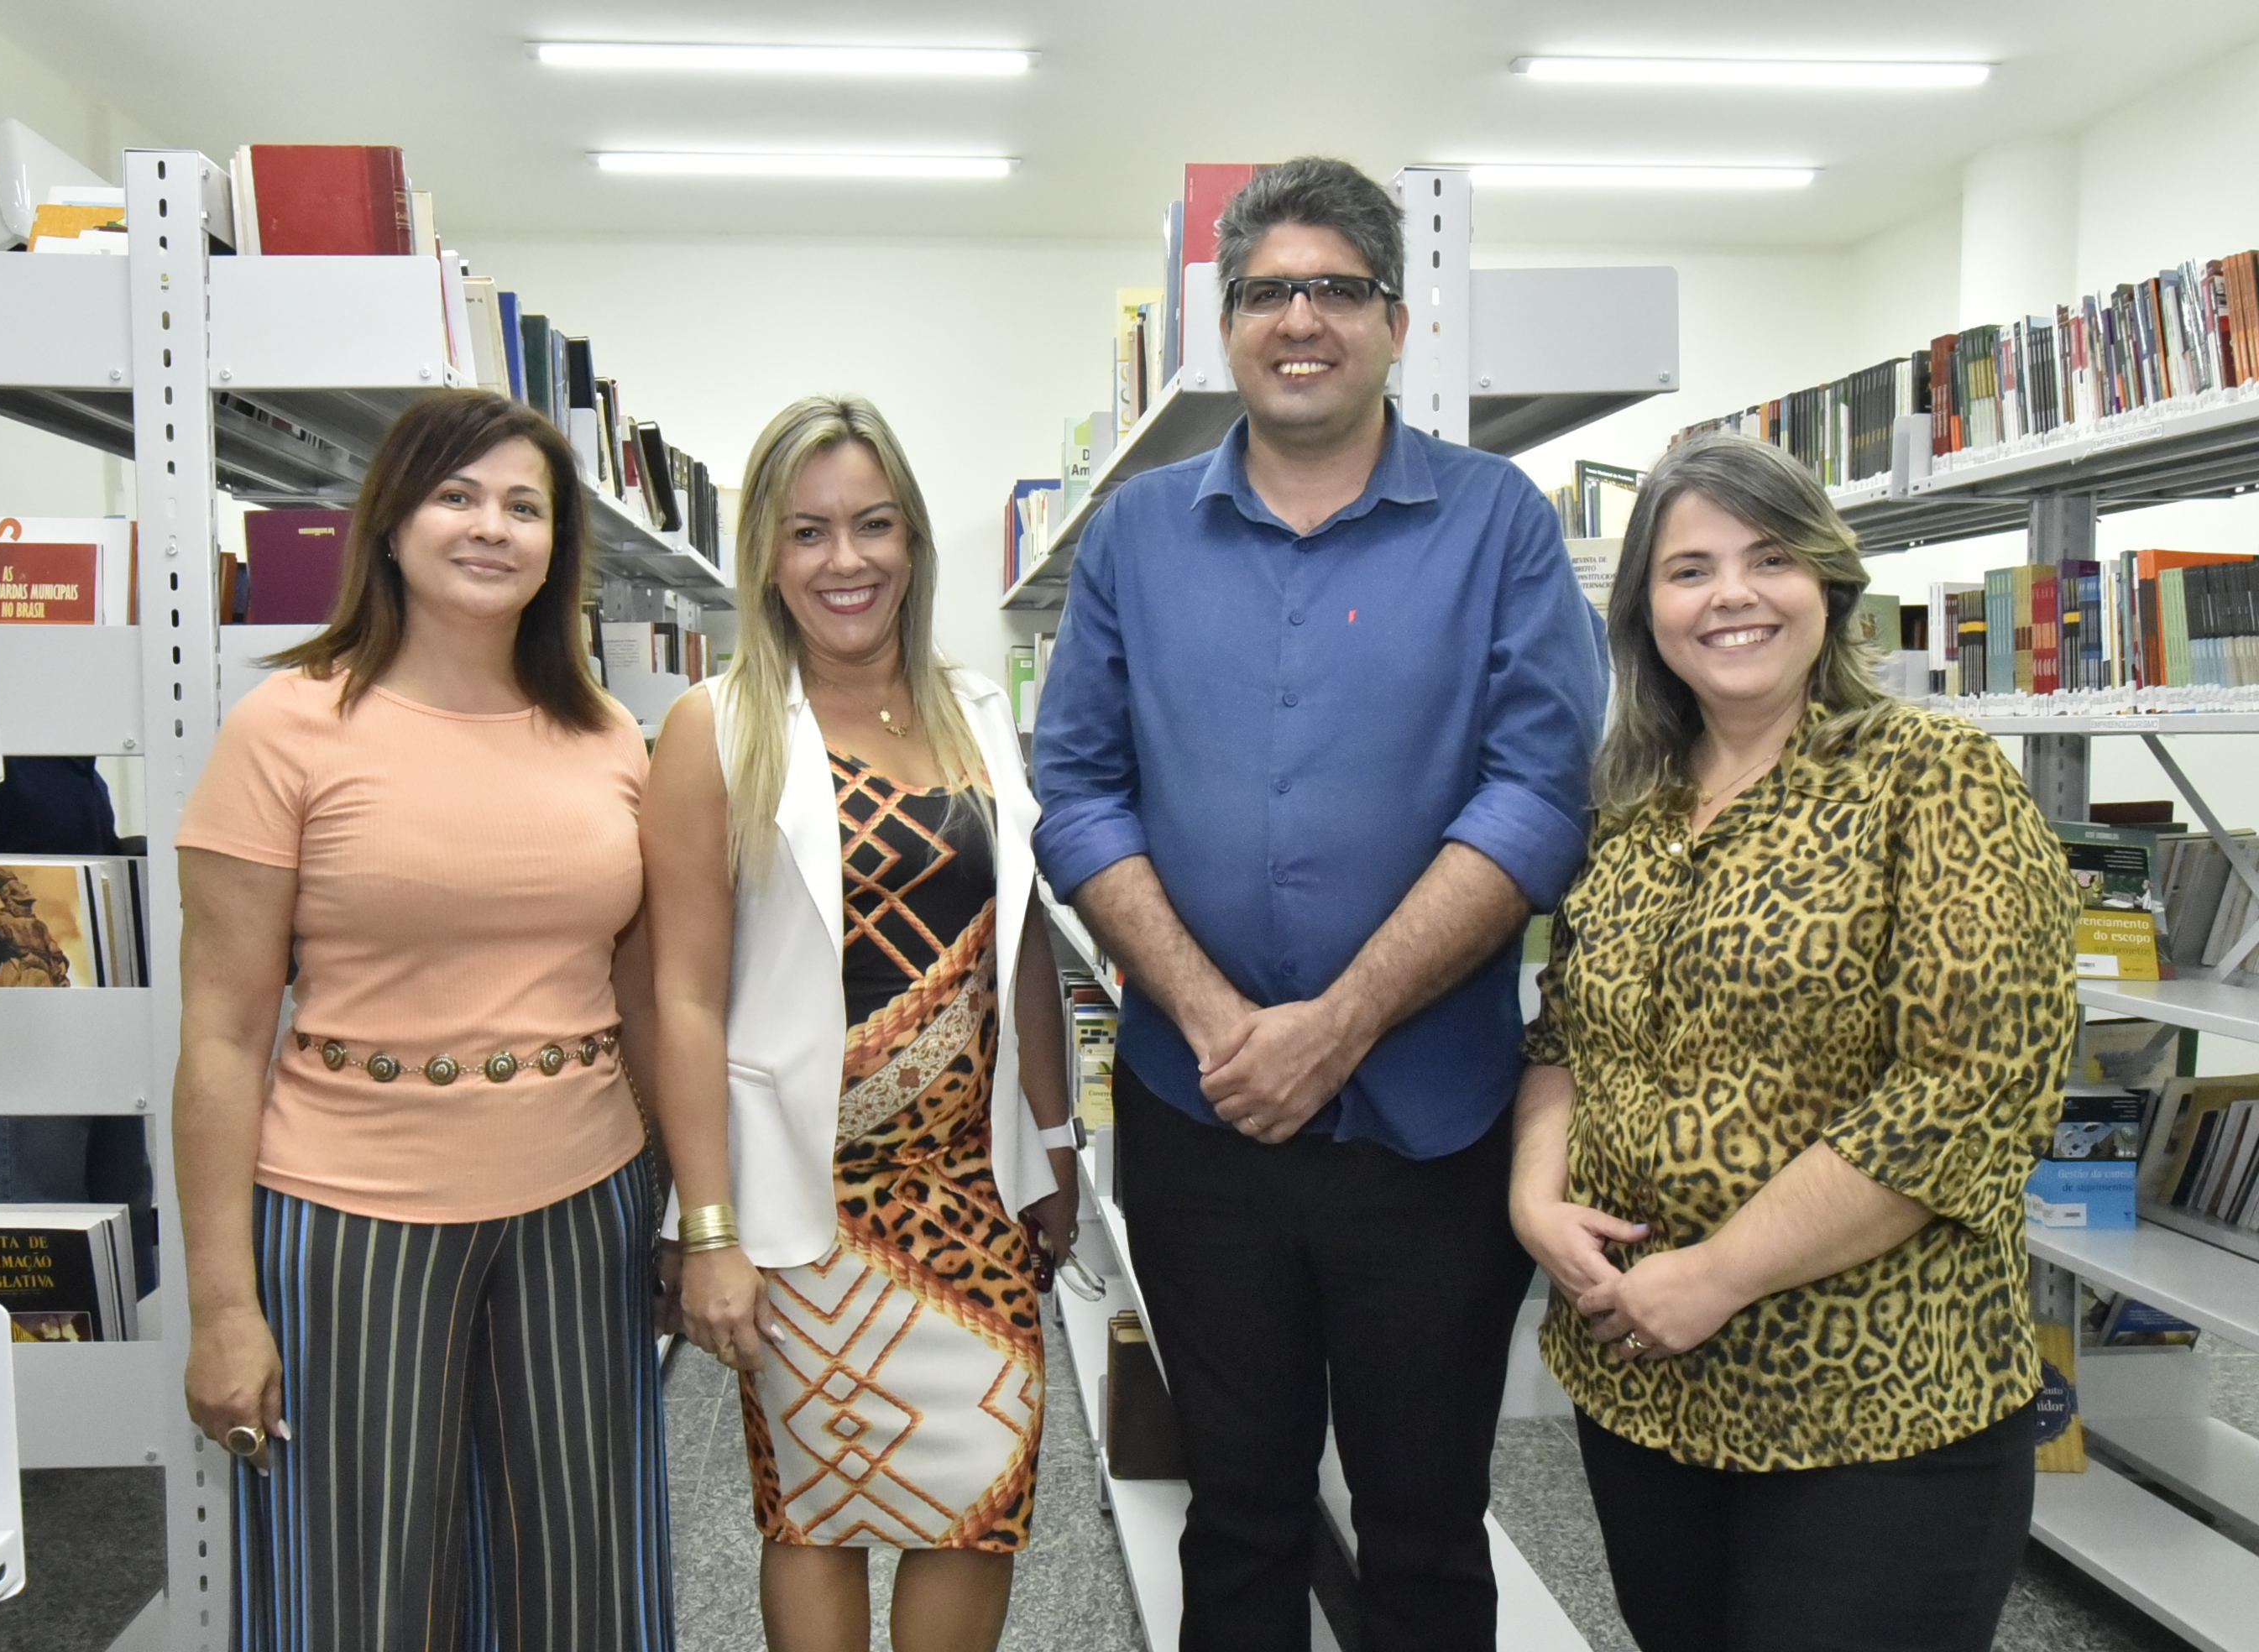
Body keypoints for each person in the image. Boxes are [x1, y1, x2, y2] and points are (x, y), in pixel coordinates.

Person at [1031, 157, 1608, 1651]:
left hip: (1430, 1125)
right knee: (1235, 1515)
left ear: (1397, 323)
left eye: (1337, 290)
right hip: (1198, 1108)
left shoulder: (1498, 524)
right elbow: (1077, 791)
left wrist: (1338, 1024)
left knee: (1424, 1523)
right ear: (1224, 326)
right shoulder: (1136, 535)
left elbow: (1537, 796)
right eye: (1267, 292)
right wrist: (1222, 1021)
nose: (1301, 320)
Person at [1511, 433, 2075, 1652]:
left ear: (1827, 580)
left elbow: (1969, 1091)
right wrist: (1533, 1197)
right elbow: (1566, 1030)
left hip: (1874, 1405)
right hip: (1642, 1383)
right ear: (1644, 609)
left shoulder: (1933, 778)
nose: (1732, 596)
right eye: (1690, 569)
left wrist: (1716, 1276)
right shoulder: (1632, 803)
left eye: (1768, 559)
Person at [173, 388, 672, 1649]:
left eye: (524, 506)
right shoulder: (285, 729)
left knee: (587, 1578)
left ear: (558, 545)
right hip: (352, 1219)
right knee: (363, 1589)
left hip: (585, 1207)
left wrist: (688, 1209)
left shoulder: (609, 734)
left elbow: (644, 996)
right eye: (457, 495)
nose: (491, 526)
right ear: (390, 525)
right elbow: (222, 1036)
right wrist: (223, 1308)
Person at [641, 395, 1081, 1652]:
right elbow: (682, 997)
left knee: (980, 1505)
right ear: (767, 559)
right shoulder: (716, 727)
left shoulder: (975, 712)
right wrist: (706, 1231)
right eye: (809, 532)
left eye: (874, 525)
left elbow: (1019, 947)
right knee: (814, 1514)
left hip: (972, 1191)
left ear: (913, 541)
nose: (847, 561)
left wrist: (1052, 1144)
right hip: (802, 1210)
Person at [0, 758, 158, 1295]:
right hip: (28, 1045)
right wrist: (13, 997)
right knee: (38, 1244)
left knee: (122, 1229)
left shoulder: (79, 766)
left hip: (102, 1030)